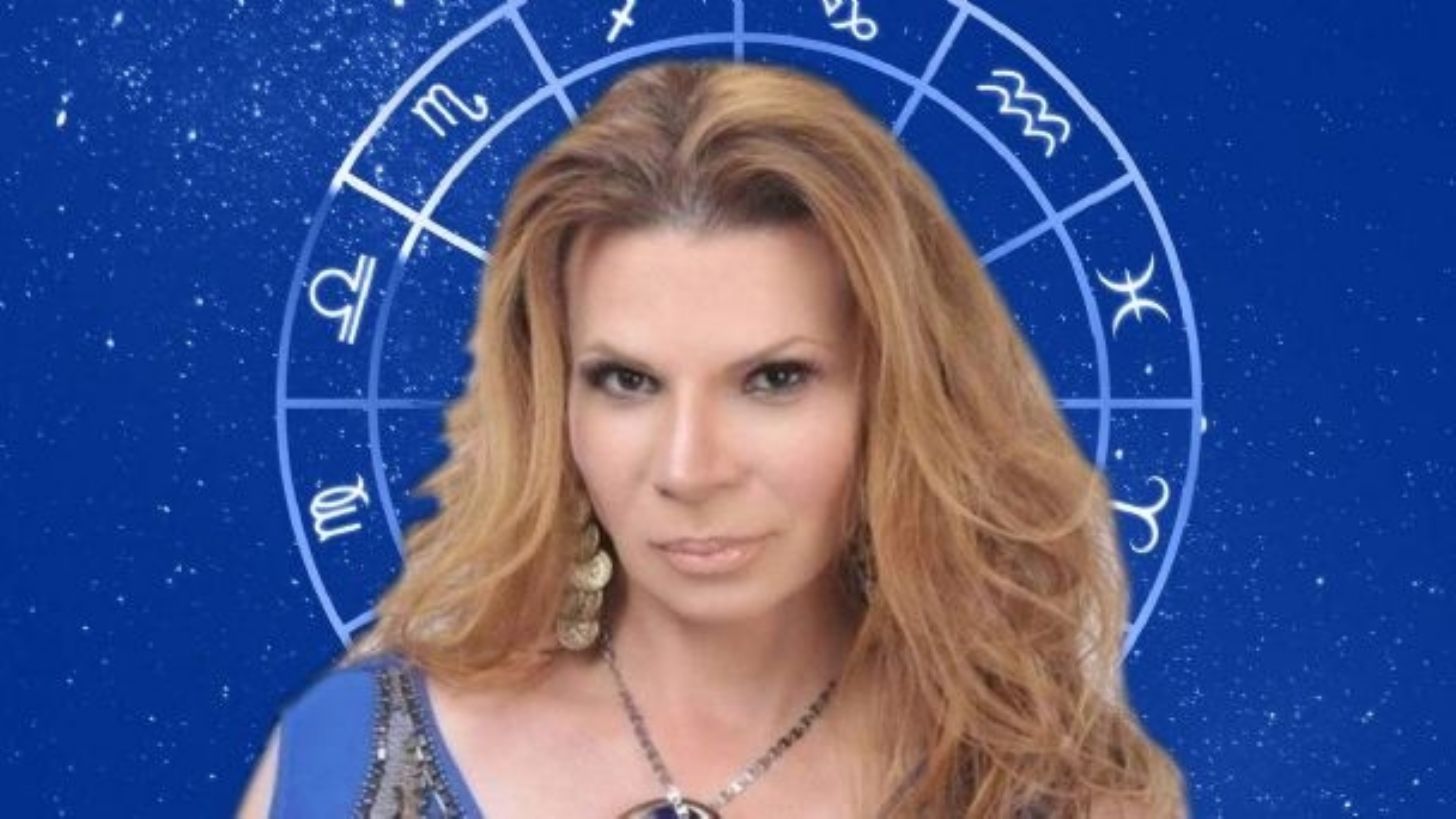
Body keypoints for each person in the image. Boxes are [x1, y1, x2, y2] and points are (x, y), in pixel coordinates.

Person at [238, 59, 1188, 818]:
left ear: (899, 397)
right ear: (552, 401)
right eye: (627, 381)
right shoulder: (348, 756)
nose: (689, 468)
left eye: (774, 379)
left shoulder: (1051, 791)